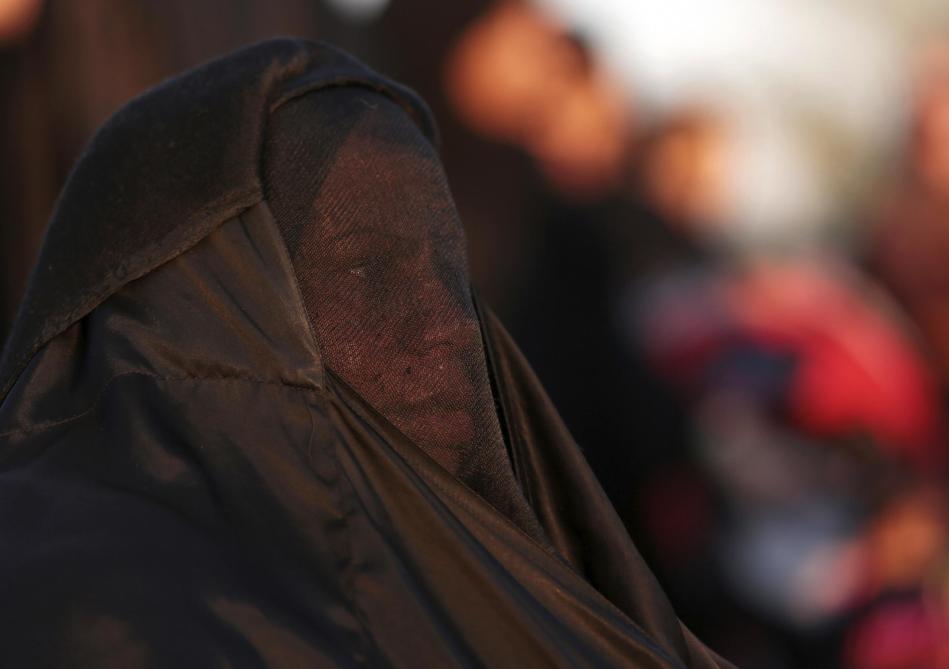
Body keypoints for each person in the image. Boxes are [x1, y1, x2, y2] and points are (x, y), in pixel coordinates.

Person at [0, 38, 731, 667]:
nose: (442, 330)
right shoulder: (92, 624)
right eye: (361, 271)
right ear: (209, 311)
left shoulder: (538, 583)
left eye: (442, 279)